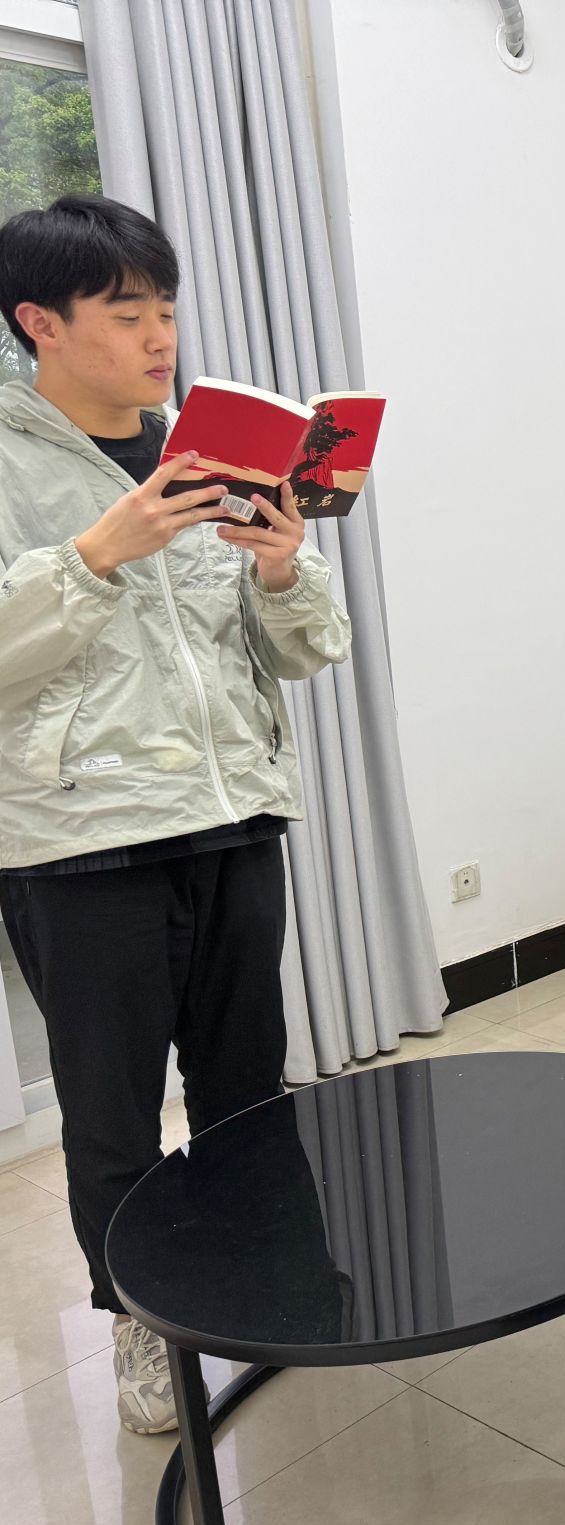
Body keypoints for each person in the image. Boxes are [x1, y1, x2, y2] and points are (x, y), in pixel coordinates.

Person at [0, 194, 352, 1433]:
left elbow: (302, 652)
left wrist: (280, 568)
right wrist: (96, 554)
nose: (160, 337)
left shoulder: (207, 449)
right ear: (40, 323)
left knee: (247, 1085)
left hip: (233, 815)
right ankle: (142, 1325)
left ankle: (268, 1281)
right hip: (79, 842)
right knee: (110, 1118)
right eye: (126, 312)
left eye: (166, 308)